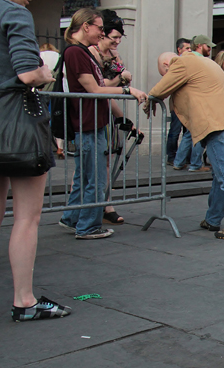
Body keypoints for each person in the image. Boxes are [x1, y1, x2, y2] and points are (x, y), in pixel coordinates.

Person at [0, 0, 72, 322]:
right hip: (18, 124)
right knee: (26, 218)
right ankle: (24, 301)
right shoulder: (12, 12)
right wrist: (46, 71)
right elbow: (28, 73)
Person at [58, 8, 146, 240]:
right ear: (86, 26)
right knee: (95, 178)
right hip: (87, 123)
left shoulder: (81, 52)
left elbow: (99, 89)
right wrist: (127, 89)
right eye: (99, 27)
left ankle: (71, 218)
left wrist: (119, 117)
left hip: (90, 122)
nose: (102, 32)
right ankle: (87, 226)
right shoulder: (76, 52)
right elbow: (95, 90)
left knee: (85, 176)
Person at [147, 50, 224, 239]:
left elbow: (159, 90)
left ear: (166, 66)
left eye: (165, 73)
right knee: (221, 175)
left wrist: (149, 99)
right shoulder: (204, 63)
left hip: (218, 125)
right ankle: (213, 219)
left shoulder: (181, 63)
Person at [89, 9, 132, 226]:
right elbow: (100, 87)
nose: (117, 41)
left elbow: (117, 87)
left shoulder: (114, 55)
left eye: (119, 38)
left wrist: (122, 118)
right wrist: (120, 79)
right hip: (92, 112)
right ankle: (82, 207)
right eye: (114, 37)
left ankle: (105, 205)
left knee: (105, 162)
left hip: (108, 110)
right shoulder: (92, 53)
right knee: (88, 164)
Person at [171, 35, 213, 173]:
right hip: (198, 102)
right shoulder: (197, 61)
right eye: (208, 46)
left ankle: (179, 161)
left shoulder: (189, 60)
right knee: (199, 133)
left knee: (190, 133)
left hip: (192, 102)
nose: (210, 49)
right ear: (200, 45)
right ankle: (195, 164)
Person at [166, 38, 191, 165]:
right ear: (179, 49)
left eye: (190, 48)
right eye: (186, 48)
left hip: (188, 105)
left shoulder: (190, 64)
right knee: (175, 131)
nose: (189, 50)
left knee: (188, 132)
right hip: (177, 105)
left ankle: (185, 157)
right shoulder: (175, 64)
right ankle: (171, 156)